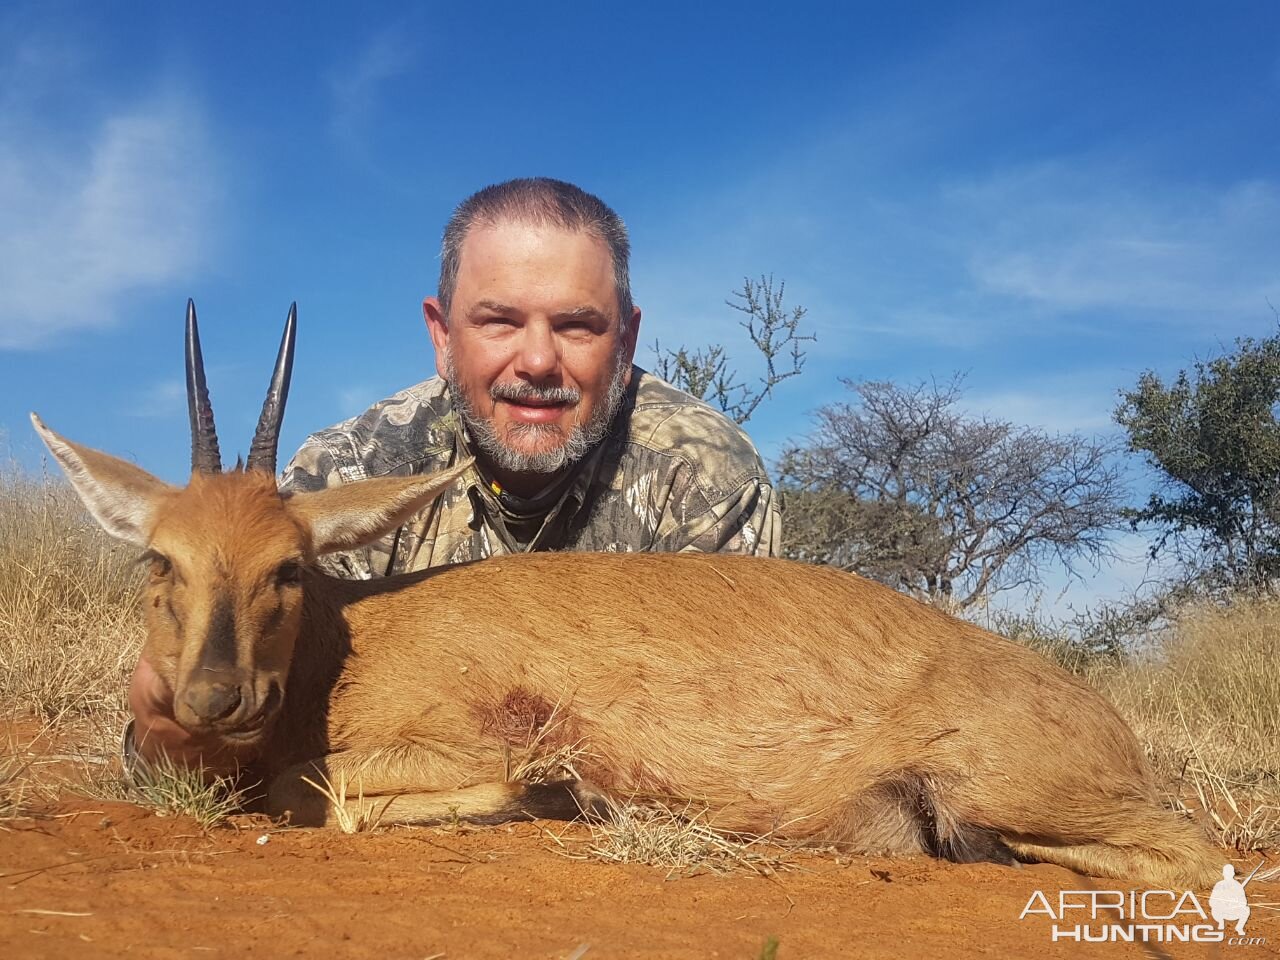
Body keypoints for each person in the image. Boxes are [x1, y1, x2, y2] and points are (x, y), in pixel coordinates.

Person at [127, 177, 782, 772]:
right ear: (441, 336)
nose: (536, 360)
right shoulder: (348, 468)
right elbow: (281, 710)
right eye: (498, 321)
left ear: (627, 342)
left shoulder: (704, 474)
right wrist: (168, 740)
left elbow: (746, 711)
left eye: (577, 326)